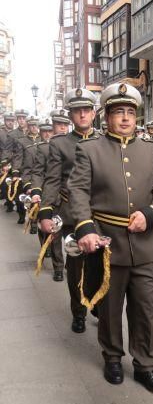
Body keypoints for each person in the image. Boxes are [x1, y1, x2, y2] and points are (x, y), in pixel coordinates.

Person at [68, 82, 153, 392]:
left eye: (130, 112)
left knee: (146, 309)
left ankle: (145, 365)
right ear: (106, 117)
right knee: (110, 308)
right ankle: (112, 356)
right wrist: (84, 227)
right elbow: (78, 190)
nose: (125, 119)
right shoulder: (90, 149)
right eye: (118, 112)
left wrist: (150, 213)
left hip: (146, 245)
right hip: (107, 245)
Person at [38, 90, 98, 331]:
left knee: (103, 264)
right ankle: (79, 311)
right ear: (71, 115)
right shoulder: (59, 144)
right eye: (77, 110)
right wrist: (45, 210)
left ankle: (99, 303)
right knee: (75, 268)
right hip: (72, 214)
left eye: (86, 110)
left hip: (100, 214)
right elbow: (52, 180)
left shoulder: (104, 141)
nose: (82, 114)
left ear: (94, 113)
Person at [30, 110, 70, 281]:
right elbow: (38, 172)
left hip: (73, 198)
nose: (62, 127)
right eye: (58, 124)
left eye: (64, 124)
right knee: (55, 234)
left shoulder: (79, 143)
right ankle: (58, 267)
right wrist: (37, 192)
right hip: (53, 197)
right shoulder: (44, 148)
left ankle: (72, 263)